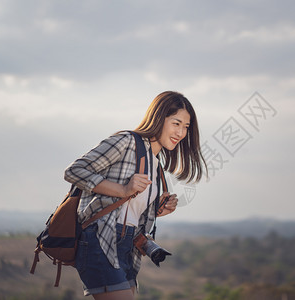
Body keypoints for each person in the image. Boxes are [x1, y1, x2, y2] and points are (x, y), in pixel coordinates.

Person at [64, 91, 207, 300]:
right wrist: (123, 190)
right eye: (176, 123)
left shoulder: (156, 163)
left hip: (127, 247)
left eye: (186, 127)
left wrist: (159, 209)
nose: (181, 132)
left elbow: (130, 210)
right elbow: (74, 171)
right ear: (159, 117)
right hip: (100, 239)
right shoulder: (127, 141)